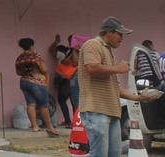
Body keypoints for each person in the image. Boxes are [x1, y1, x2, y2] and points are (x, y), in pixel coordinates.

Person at [79, 16, 158, 157]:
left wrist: (138, 98)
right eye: (119, 34)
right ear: (109, 32)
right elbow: (92, 68)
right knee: (99, 154)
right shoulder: (93, 45)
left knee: (114, 153)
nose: (122, 38)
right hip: (96, 110)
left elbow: (113, 88)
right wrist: (118, 68)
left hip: (111, 111)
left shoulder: (108, 51)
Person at [15, 37, 59, 137]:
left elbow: (18, 72)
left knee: (31, 103)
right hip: (37, 82)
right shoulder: (35, 56)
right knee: (43, 105)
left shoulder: (19, 58)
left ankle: (35, 126)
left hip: (24, 82)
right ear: (31, 46)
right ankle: (49, 127)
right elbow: (44, 70)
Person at [49, 34, 76, 127]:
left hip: (70, 79)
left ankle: (72, 122)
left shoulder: (76, 52)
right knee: (68, 100)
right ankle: (70, 121)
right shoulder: (66, 52)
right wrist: (56, 42)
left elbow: (76, 63)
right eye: (70, 40)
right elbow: (52, 50)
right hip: (67, 79)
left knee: (72, 101)